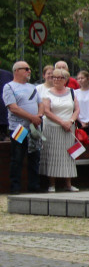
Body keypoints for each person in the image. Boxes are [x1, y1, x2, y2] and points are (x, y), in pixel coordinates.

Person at [39, 68, 81, 192]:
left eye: (59, 77)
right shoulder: (47, 93)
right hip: (52, 128)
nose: (56, 80)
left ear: (65, 80)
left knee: (68, 156)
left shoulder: (72, 92)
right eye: (54, 77)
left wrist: (70, 121)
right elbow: (46, 111)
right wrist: (61, 122)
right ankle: (52, 184)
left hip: (68, 128)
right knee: (52, 155)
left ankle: (68, 184)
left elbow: (77, 109)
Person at [4, 61, 42, 194]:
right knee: (17, 157)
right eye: (26, 69)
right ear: (16, 71)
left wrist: (39, 115)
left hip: (33, 128)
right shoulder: (9, 87)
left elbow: (40, 103)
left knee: (34, 156)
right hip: (18, 128)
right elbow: (13, 108)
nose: (29, 71)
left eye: (29, 68)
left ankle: (34, 185)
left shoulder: (33, 87)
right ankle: (15, 187)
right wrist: (31, 117)